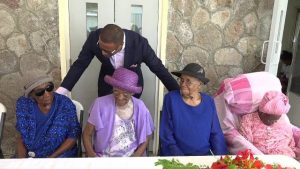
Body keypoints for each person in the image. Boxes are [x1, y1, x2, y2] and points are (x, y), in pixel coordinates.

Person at [56, 24, 179, 98]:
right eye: (101, 48)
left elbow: (158, 68)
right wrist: (62, 91)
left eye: (108, 52)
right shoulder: (94, 37)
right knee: (104, 119)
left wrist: (178, 92)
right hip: (106, 84)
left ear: (121, 46)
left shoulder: (140, 44)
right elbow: (80, 64)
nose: (103, 54)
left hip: (131, 88)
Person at [83, 67, 154, 157]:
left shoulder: (140, 106)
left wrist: (135, 158)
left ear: (132, 92)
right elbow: (86, 134)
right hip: (104, 159)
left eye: (125, 94)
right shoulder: (100, 104)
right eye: (116, 91)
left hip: (132, 158)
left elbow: (146, 137)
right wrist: (93, 157)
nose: (120, 97)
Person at [159, 63, 228, 156]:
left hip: (203, 156)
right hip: (176, 158)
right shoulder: (171, 99)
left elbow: (215, 133)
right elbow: (166, 134)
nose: (183, 84)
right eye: (182, 80)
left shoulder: (208, 101)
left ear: (199, 84)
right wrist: (181, 161)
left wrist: (222, 158)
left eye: (188, 81)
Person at [16, 72, 81, 158]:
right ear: (31, 95)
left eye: (49, 88)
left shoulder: (65, 104)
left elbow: (73, 136)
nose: (47, 94)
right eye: (40, 92)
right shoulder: (24, 104)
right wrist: (22, 163)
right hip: (31, 156)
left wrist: (51, 157)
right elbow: (22, 137)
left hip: (60, 155)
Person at [239, 91, 300, 158]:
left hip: (288, 157)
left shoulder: (282, 119)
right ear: (262, 113)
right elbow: (246, 145)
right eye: (271, 120)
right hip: (266, 160)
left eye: (276, 120)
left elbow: (291, 143)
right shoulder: (249, 120)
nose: (274, 122)